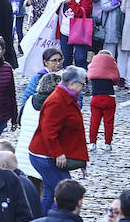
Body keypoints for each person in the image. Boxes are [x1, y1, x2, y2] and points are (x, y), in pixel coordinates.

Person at [27, 66, 90, 213]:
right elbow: (49, 131)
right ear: (72, 84)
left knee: (51, 192)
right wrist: (58, 153)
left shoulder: (66, 97)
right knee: (65, 193)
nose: (84, 86)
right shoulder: (57, 100)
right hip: (44, 155)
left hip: (47, 154)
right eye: (82, 83)